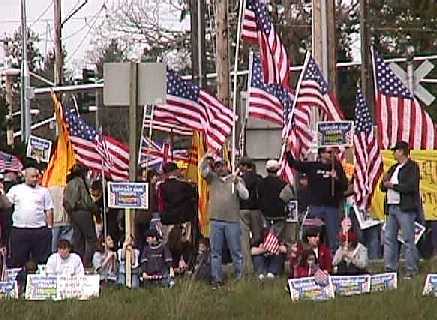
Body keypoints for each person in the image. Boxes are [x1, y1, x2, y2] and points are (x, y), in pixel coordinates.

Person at [200, 152, 249, 288]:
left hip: (232, 221)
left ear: (227, 166)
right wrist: (205, 158)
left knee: (236, 251)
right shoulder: (212, 179)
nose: (220, 168)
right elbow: (203, 171)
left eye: (222, 165)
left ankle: (240, 277)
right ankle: (216, 278)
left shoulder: (236, 180)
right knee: (215, 252)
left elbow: (245, 196)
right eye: (217, 166)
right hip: (215, 221)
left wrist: (238, 183)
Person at [286, 147, 348, 252]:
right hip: (315, 206)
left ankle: (333, 260)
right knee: (312, 235)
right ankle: (312, 258)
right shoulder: (313, 166)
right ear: (321, 154)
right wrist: (288, 152)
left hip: (331, 207)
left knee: (333, 236)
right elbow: (294, 164)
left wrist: (336, 178)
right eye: (328, 152)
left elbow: (344, 186)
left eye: (332, 152)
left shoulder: (336, 167)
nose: (331, 154)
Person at [381, 141, 420, 279]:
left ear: (402, 151)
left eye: (395, 150)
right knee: (389, 238)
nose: (393, 153)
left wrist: (393, 186)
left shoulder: (412, 167)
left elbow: (411, 187)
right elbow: (383, 187)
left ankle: (411, 269)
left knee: (408, 239)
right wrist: (384, 182)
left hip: (405, 208)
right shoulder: (393, 168)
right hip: (391, 207)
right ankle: (390, 269)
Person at [0, 167, 53, 267]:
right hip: (20, 230)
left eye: (37, 176)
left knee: (41, 261)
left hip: (39, 231)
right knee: (18, 261)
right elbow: (6, 204)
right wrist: (1, 195)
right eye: (32, 176)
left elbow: (49, 209)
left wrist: (49, 228)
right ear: (25, 177)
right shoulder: (16, 189)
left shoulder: (44, 191)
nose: (35, 179)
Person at [63, 164, 97, 268]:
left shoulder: (69, 183)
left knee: (78, 238)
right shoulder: (80, 182)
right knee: (91, 238)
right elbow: (87, 201)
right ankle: (86, 263)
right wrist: (96, 210)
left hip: (72, 213)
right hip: (82, 212)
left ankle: (78, 262)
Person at [258, 159, 293, 244]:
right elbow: (288, 198)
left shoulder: (260, 183)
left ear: (266, 169)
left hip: (264, 215)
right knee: (277, 239)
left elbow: (258, 197)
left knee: (266, 238)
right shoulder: (284, 184)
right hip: (280, 215)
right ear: (277, 170)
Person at [238, 157, 263, 274]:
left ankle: (247, 268)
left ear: (244, 166)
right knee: (258, 238)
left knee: (244, 240)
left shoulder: (240, 179)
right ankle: (259, 267)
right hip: (256, 210)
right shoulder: (259, 179)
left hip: (242, 210)